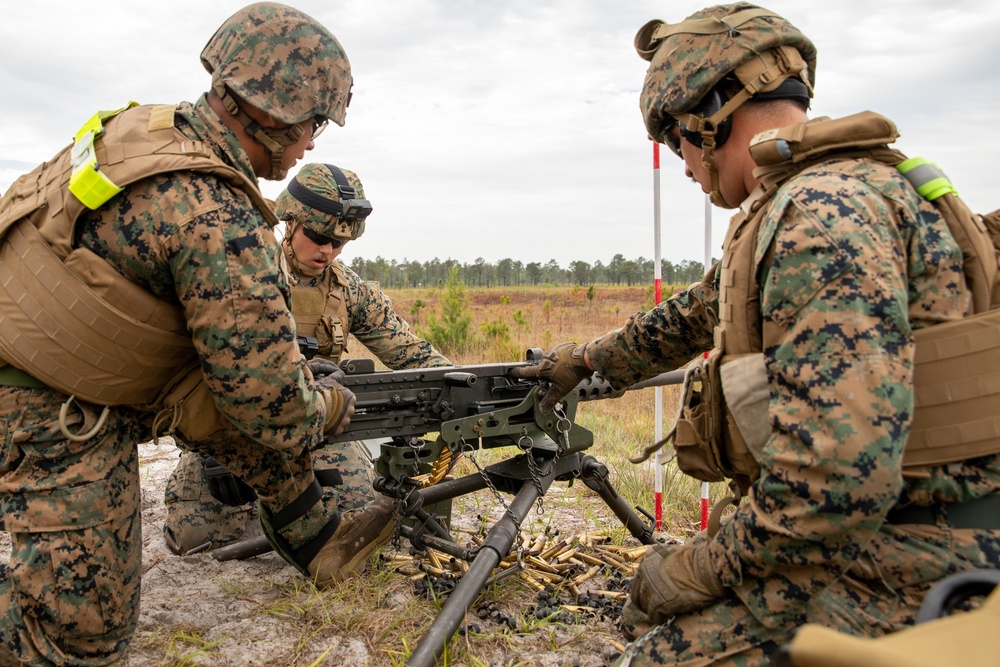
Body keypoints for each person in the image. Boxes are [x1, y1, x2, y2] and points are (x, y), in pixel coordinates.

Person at [512, 3, 1000, 665]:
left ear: (707, 119)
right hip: (893, 530)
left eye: (672, 138)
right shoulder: (816, 197)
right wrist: (587, 360)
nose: (678, 161)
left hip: (908, 556)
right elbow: (692, 312)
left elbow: (831, 487)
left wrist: (697, 565)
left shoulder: (818, 218)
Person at [0, 4, 397, 665]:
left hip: (48, 357)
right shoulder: (218, 212)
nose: (313, 142)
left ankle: (319, 539)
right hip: (46, 400)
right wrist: (326, 402)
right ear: (272, 112)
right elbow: (276, 412)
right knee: (76, 632)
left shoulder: (143, 129)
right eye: (314, 122)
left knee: (222, 394)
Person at [163, 162, 451, 555]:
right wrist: (213, 447)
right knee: (196, 541)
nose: (328, 251)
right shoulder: (235, 275)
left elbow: (413, 354)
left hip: (317, 428)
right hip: (229, 428)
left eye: (340, 243)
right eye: (318, 236)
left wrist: (468, 381)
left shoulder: (349, 291)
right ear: (290, 222)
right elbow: (184, 365)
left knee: (358, 526)